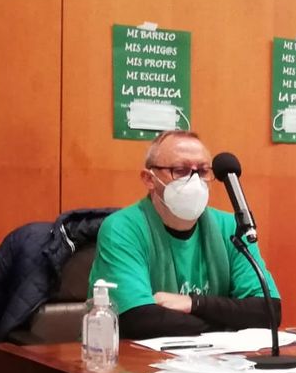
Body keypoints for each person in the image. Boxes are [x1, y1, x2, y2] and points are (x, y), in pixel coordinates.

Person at [90, 129, 282, 338]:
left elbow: (268, 311)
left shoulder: (232, 227)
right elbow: (138, 319)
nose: (193, 181)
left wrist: (194, 303)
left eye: (202, 171)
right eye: (180, 170)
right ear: (149, 179)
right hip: (137, 362)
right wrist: (227, 324)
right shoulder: (122, 228)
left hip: (214, 362)